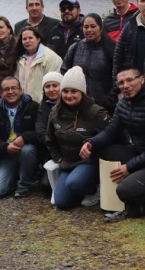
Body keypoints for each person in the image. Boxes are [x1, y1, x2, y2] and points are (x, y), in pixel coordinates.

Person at [80, 67, 145, 222]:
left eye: (130, 80)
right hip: (141, 154)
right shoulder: (123, 103)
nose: (125, 85)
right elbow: (111, 132)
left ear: (142, 79)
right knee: (98, 149)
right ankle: (103, 193)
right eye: (121, 82)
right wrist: (90, 143)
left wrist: (130, 167)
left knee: (125, 191)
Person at [47, 67, 109, 210]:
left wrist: (93, 150)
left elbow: (112, 137)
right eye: (65, 91)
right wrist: (59, 159)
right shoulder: (55, 112)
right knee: (61, 203)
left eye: (74, 91)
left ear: (82, 92)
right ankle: (78, 191)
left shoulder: (96, 113)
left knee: (75, 183)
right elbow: (50, 141)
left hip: (88, 163)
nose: (69, 95)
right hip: (67, 162)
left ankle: (93, 188)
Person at [0, 76, 40, 199]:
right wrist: (5, 147)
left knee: (27, 150)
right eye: (6, 89)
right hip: (7, 153)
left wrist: (25, 137)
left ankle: (24, 184)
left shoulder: (33, 107)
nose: (10, 92)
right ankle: (13, 177)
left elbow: (41, 133)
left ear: (21, 90)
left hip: (26, 151)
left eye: (14, 88)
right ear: (1, 93)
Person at [63, 13, 117, 113]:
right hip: (78, 105)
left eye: (93, 26)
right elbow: (64, 72)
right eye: (86, 27)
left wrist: (110, 99)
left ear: (101, 28)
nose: (89, 30)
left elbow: (118, 76)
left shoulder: (112, 48)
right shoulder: (75, 48)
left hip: (104, 107)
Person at [14, 27, 63, 103]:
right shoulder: (21, 59)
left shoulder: (50, 57)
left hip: (43, 104)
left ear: (38, 39)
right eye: (24, 39)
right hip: (25, 104)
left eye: (30, 38)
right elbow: (17, 82)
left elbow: (52, 85)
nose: (27, 41)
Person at [35, 71, 63, 177]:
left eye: (55, 85)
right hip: (52, 152)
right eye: (47, 86)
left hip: (73, 150)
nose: (51, 89)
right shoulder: (43, 107)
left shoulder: (73, 104)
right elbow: (40, 132)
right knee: (47, 186)